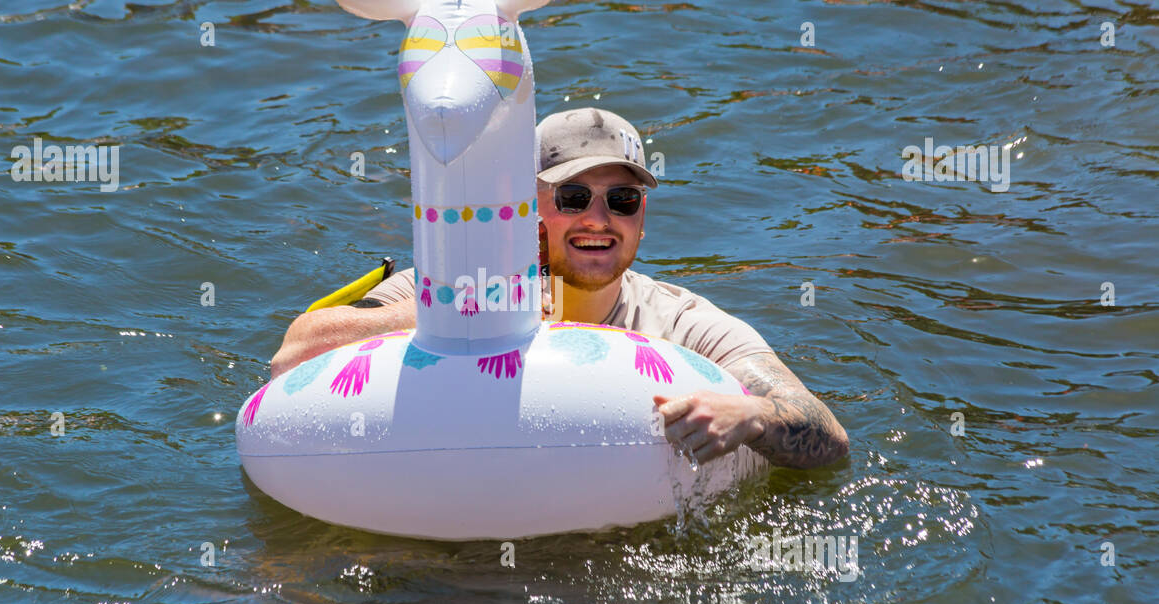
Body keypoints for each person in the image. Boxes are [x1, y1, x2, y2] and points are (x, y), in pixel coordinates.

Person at [271, 107, 849, 469]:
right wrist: (472, 307)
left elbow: (827, 434)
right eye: (573, 198)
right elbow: (293, 355)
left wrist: (752, 416)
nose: (599, 219)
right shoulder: (451, 287)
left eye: (622, 201)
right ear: (528, 210)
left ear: (641, 219)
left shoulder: (679, 323)